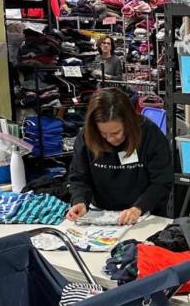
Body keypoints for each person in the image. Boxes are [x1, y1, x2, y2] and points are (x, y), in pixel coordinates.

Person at [67, 87, 172, 224]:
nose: (110, 139)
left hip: (144, 214)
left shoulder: (149, 134)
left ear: (128, 122)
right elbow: (79, 177)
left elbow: (162, 181)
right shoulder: (87, 136)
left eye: (116, 133)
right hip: (99, 215)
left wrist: (138, 208)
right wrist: (80, 201)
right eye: (103, 134)